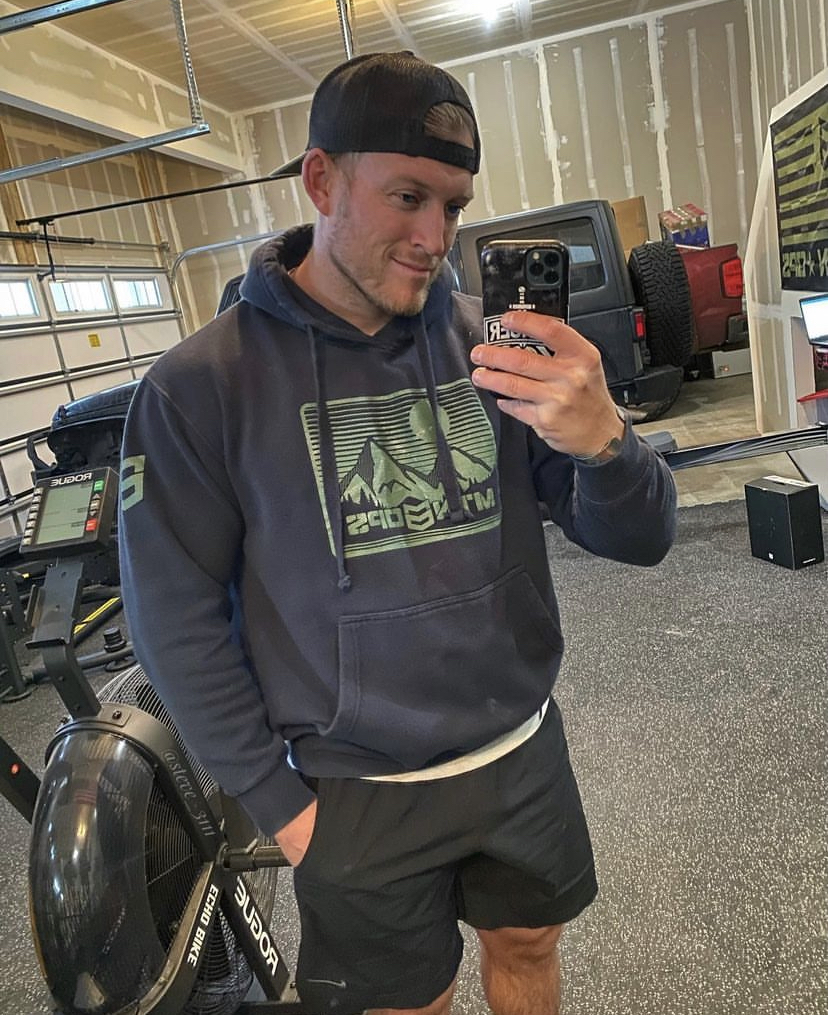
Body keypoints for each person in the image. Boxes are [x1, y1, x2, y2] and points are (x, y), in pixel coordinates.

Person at [119, 51, 677, 1015]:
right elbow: (174, 620)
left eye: (453, 206)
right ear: (321, 179)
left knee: (529, 943)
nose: (435, 237)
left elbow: (642, 537)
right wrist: (280, 807)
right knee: (410, 1000)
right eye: (407, 197)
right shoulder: (200, 388)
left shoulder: (497, 350)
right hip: (353, 788)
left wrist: (607, 444)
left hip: (518, 747)